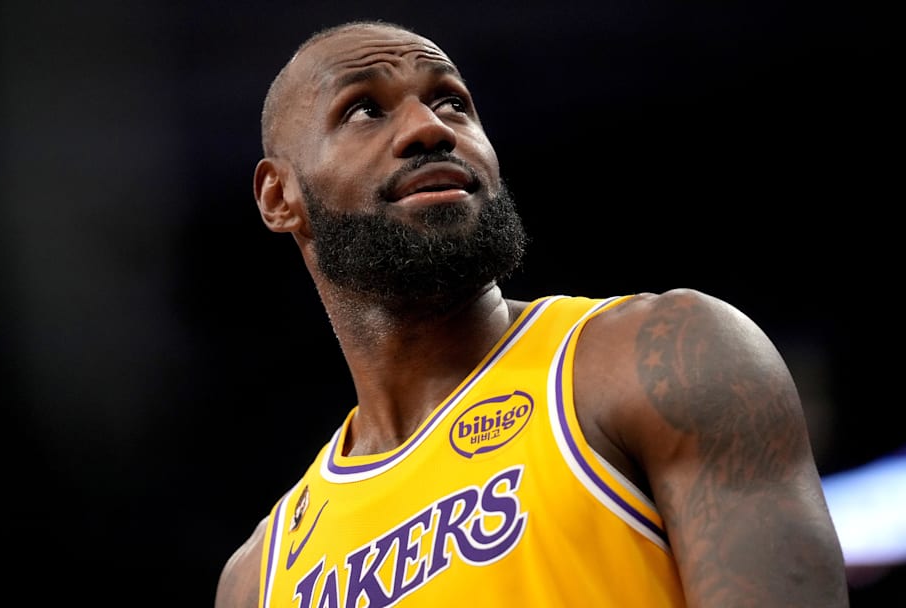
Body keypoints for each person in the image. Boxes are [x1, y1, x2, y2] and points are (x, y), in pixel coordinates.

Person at [215, 19, 849, 608]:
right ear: (279, 196)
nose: (429, 128)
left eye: (451, 102)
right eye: (365, 110)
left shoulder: (662, 359)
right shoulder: (259, 579)